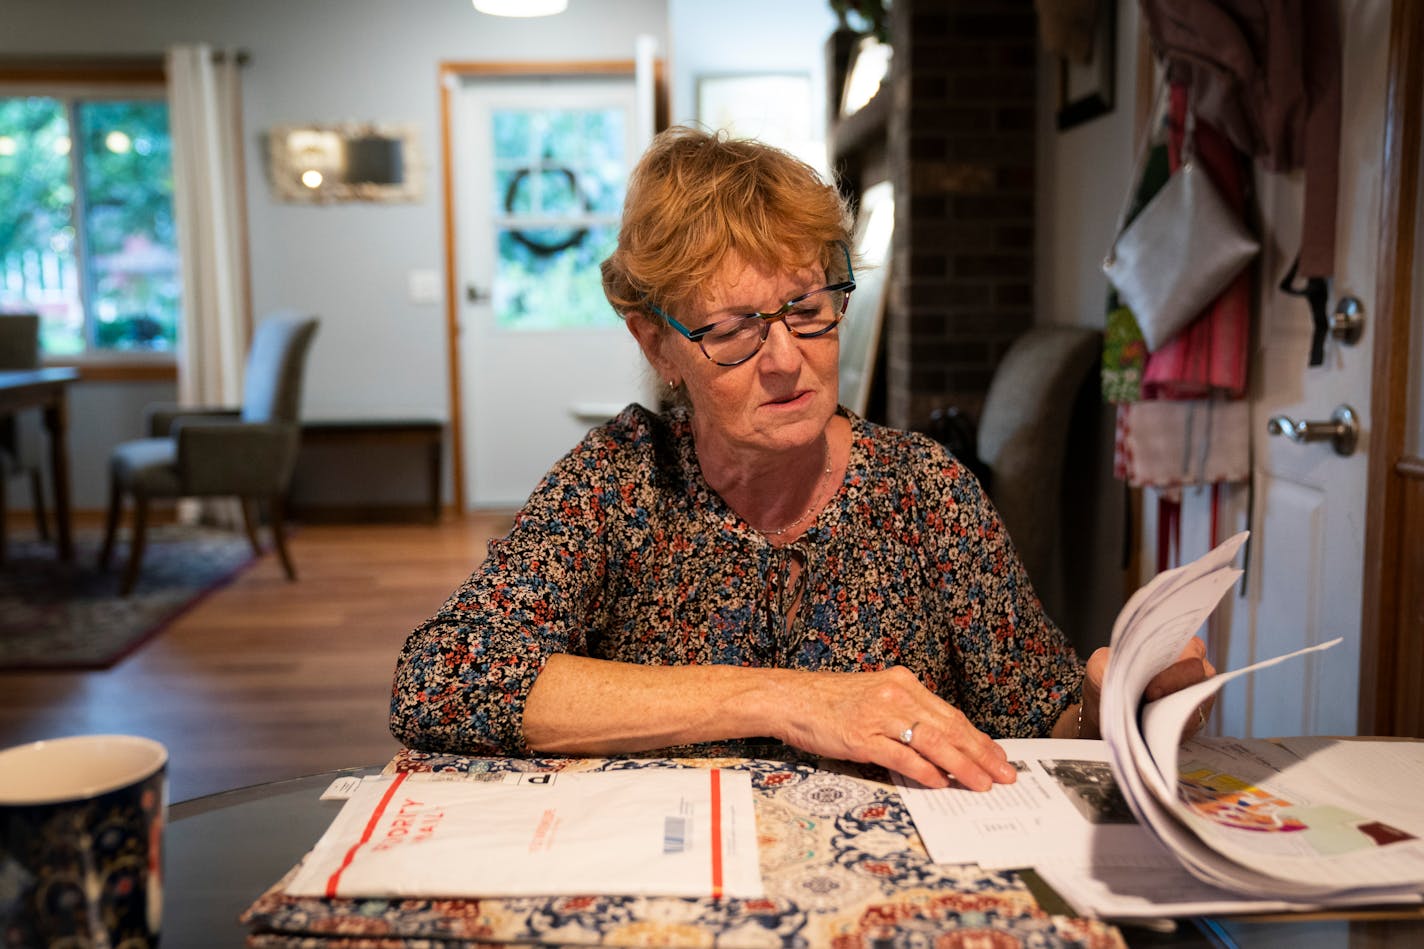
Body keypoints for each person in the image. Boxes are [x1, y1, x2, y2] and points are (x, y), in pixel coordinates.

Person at [390, 126, 1214, 791]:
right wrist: (791, 697)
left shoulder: (925, 491)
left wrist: (1110, 706)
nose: (786, 357)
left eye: (808, 308)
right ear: (658, 344)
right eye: (735, 328)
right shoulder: (621, 480)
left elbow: (1040, 727)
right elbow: (444, 679)